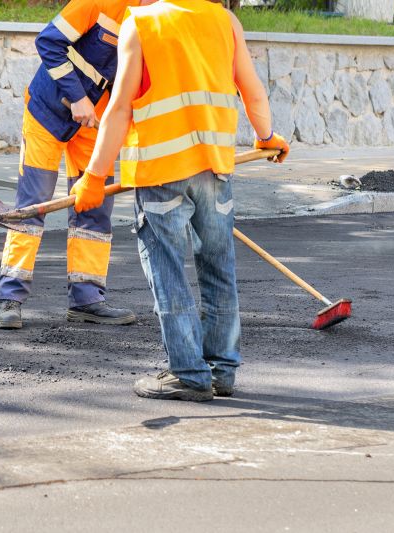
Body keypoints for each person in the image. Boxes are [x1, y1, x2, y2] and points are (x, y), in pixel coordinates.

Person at [71, 0, 290, 400]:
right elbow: (253, 92)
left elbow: (119, 109)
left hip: (161, 174)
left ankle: (189, 373)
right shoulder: (225, 21)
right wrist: (266, 136)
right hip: (214, 167)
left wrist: (94, 176)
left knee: (168, 271)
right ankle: (222, 369)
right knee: (219, 269)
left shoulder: (141, 24)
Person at [0, 0, 154, 330]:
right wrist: (77, 96)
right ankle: (10, 298)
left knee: (94, 206)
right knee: (33, 205)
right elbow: (49, 41)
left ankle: (87, 299)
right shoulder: (97, 2)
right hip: (46, 113)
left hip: (95, 125)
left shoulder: (158, 20)